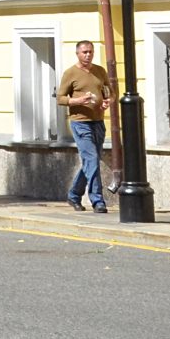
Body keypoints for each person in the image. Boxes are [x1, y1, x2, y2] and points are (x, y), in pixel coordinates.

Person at [56, 41, 113, 213]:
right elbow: (60, 98)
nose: (88, 55)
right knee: (92, 160)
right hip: (80, 122)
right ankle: (98, 200)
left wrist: (107, 101)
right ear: (78, 54)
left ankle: (74, 195)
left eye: (91, 52)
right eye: (85, 52)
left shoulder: (99, 71)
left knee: (90, 161)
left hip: (98, 121)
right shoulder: (70, 73)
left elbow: (109, 91)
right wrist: (78, 101)